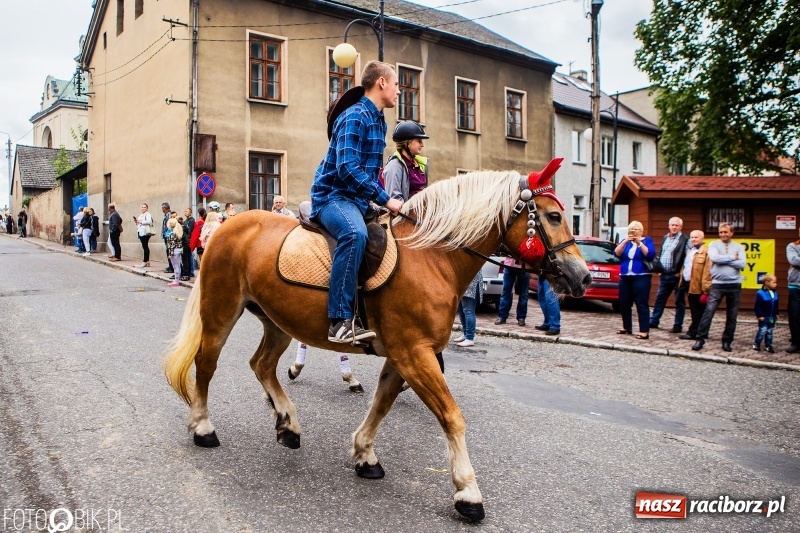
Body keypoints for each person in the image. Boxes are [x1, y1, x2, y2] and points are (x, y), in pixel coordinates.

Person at [310, 60, 402, 343]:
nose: (399, 90)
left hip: (357, 199)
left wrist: (378, 202)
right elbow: (347, 168)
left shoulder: (378, 119)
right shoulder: (355, 117)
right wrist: (386, 200)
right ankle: (339, 322)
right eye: (397, 84)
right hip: (333, 197)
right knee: (354, 234)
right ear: (382, 83)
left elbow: (371, 171)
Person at [692, 222, 746, 352]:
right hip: (717, 285)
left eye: (726, 232)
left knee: (732, 315)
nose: (723, 234)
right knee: (709, 312)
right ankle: (700, 339)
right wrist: (732, 258)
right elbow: (715, 258)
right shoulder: (713, 245)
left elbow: (742, 264)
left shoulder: (738, 247)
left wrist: (725, 260)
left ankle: (727, 341)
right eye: (721, 232)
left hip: (734, 284)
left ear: (731, 233)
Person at [614, 220, 656, 339]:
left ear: (641, 231)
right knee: (624, 303)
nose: (635, 231)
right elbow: (617, 253)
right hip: (626, 276)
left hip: (641, 276)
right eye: (632, 229)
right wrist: (626, 241)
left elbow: (650, 254)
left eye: (637, 229)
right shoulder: (625, 242)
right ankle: (627, 327)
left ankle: (644, 330)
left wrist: (639, 243)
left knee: (641, 303)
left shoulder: (646, 240)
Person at [649, 217, 688, 332]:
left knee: (679, 301)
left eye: (677, 225)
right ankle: (654, 321)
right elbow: (662, 254)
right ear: (669, 226)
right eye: (672, 225)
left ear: (680, 227)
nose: (674, 227)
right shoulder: (665, 238)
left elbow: (688, 257)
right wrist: (660, 269)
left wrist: (681, 272)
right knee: (659, 299)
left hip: (676, 275)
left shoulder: (685, 239)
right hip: (665, 274)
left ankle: (677, 325)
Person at [677, 230, 712, 340]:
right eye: (692, 237)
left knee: (698, 310)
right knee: (694, 309)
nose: (693, 239)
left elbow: (708, 270)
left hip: (699, 286)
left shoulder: (706, 251)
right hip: (688, 284)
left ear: (702, 238)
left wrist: (706, 287)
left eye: (696, 237)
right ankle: (701, 332)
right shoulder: (690, 250)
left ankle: (694, 332)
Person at [382, 120, 429, 201]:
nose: (422, 145)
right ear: (408, 142)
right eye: (419, 140)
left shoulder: (419, 164)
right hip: (406, 213)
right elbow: (394, 199)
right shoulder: (394, 166)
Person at [495, 257, 530, 327]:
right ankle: (502, 316)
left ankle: (521, 317)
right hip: (509, 264)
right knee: (506, 291)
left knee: (524, 293)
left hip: (525, 266)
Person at [454, 271, 483, 347]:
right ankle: (465, 334)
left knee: (468, 311)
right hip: (463, 283)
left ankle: (470, 338)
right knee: (461, 311)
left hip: (471, 284)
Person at [753, 274, 778, 353]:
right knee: (762, 330)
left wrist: (777, 313)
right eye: (774, 282)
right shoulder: (760, 293)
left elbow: (776, 304)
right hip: (764, 317)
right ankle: (757, 344)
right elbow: (757, 305)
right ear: (767, 282)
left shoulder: (775, 293)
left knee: (770, 331)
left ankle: (768, 345)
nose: (776, 284)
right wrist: (759, 315)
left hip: (772, 317)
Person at [787, 229, 800, 354]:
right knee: (794, 315)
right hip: (795, 285)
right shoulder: (792, 246)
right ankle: (796, 342)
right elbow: (794, 261)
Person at [134, 203, 155, 268]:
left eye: (144, 207)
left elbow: (149, 221)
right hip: (141, 231)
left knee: (145, 246)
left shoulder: (148, 214)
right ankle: (147, 261)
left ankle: (145, 261)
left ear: (147, 208)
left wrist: (141, 221)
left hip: (145, 232)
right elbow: (138, 222)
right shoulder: (141, 215)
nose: (143, 208)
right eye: (142, 207)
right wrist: (137, 221)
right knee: (144, 246)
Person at [165, 217, 183, 287]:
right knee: (178, 266)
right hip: (178, 249)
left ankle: (176, 281)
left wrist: (170, 254)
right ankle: (176, 280)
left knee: (175, 266)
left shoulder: (172, 234)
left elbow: (172, 245)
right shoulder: (178, 232)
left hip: (174, 251)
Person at [181, 208, 195, 280]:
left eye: (187, 211)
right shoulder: (186, 221)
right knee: (187, 258)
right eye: (185, 211)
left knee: (188, 258)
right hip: (185, 241)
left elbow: (189, 230)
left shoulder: (191, 220)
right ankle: (188, 272)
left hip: (188, 241)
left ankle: (190, 272)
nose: (185, 212)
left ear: (190, 213)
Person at [161, 202, 173, 273]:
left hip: (168, 235)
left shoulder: (168, 215)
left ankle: (171, 267)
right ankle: (170, 266)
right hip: (166, 235)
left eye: (162, 208)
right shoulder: (167, 215)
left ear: (164, 208)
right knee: (168, 251)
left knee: (169, 251)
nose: (162, 209)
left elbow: (168, 226)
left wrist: (166, 234)